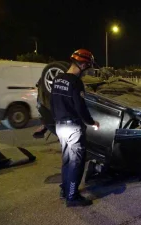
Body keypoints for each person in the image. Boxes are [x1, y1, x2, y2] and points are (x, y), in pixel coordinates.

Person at [50, 49, 100, 207]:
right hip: (73, 127)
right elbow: (80, 107)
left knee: (66, 159)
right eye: (87, 67)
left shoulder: (57, 79)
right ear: (83, 64)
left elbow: (51, 103)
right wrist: (92, 122)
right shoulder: (75, 82)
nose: (86, 71)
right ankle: (72, 196)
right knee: (76, 162)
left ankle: (65, 190)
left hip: (60, 126)